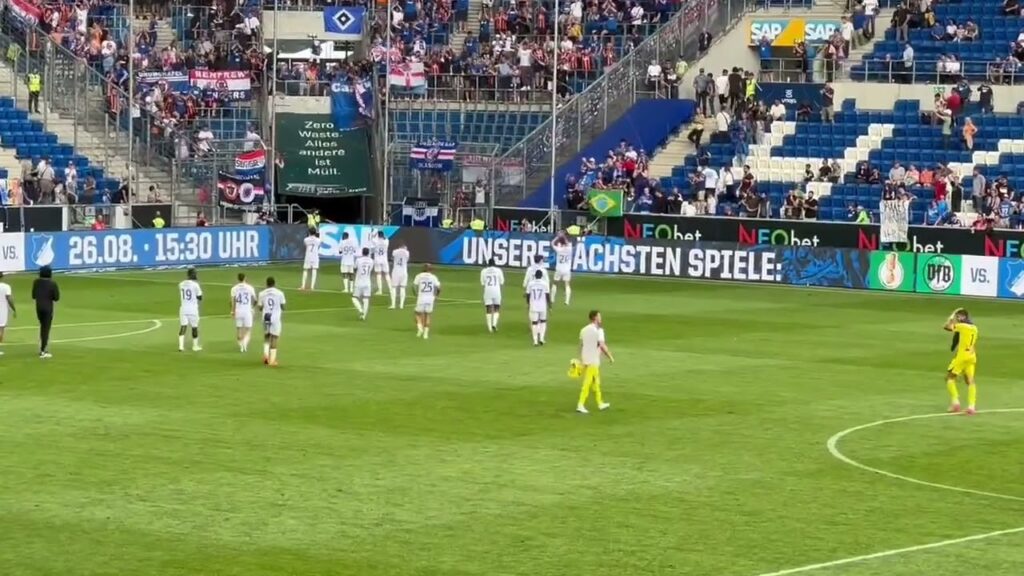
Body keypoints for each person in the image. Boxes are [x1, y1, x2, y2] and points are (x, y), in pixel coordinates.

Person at [577, 309, 614, 414]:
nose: (600, 318)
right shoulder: (599, 331)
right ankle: (580, 404)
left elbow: (580, 345)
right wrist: (610, 356)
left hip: (586, 359)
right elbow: (602, 345)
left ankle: (600, 403)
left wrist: (580, 359)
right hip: (593, 360)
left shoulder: (583, 330)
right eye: (599, 316)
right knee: (587, 383)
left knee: (596, 382)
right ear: (595, 318)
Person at [944, 307, 978, 415]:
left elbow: (947, 327)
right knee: (970, 381)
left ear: (963, 316)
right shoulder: (974, 328)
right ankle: (971, 407)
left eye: (958, 316)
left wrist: (950, 319)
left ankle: (955, 403)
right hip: (972, 356)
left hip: (962, 356)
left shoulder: (962, 326)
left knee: (949, 378)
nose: (957, 318)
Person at [257, 276, 287, 366]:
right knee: (274, 337)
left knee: (267, 336)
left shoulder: (262, 293)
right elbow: (282, 306)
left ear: (266, 284)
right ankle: (272, 360)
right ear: (274, 283)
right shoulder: (280, 293)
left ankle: (266, 355)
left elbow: (260, 307)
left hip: (266, 316)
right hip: (275, 318)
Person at [31, 265, 59, 359]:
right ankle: (43, 350)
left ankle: (42, 347)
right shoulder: (52, 283)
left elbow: (33, 296)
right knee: (46, 329)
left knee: (42, 327)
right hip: (48, 308)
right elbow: (56, 298)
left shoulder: (36, 282)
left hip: (38, 308)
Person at [413, 264, 442, 339]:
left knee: (417, 314)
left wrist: (415, 294)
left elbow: (414, 286)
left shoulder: (419, 276)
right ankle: (426, 334)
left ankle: (420, 329)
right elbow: (439, 288)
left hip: (421, 297)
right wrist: (436, 296)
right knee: (428, 315)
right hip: (430, 298)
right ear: (431, 270)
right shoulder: (433, 277)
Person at [177, 268, 203, 352]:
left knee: (183, 326)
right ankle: (195, 346)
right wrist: (195, 295)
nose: (196, 275)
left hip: (183, 308)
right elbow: (200, 297)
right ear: (192, 274)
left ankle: (181, 347)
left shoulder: (181, 284)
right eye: (195, 273)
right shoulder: (195, 285)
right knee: (194, 327)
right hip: (192, 309)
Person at [230, 272, 257, 353]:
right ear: (245, 278)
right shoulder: (250, 288)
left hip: (238, 311)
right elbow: (255, 300)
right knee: (248, 329)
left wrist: (232, 311)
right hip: (247, 311)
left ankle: (241, 346)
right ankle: (245, 344)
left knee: (239, 329)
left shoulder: (234, 288)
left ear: (238, 279)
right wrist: (252, 307)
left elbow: (232, 301)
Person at [525, 269, 551, 346]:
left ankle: (535, 340)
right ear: (541, 276)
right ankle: (542, 339)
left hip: (533, 305)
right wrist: (550, 306)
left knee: (534, 323)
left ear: (535, 276)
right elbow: (547, 295)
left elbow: (528, 295)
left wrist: (528, 303)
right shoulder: (545, 284)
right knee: (543, 322)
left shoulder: (530, 284)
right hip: (542, 305)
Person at [481, 258, 505, 332]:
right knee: (496, 308)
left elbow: (482, 283)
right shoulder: (498, 270)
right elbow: (502, 282)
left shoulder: (483, 271)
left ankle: (489, 328)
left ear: (488, 263)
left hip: (488, 291)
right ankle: (494, 324)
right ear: (495, 263)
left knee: (488, 309)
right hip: (496, 291)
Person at [352, 247, 374, 320]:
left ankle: (361, 310)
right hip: (367, 282)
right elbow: (371, 271)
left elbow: (354, 269)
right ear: (368, 253)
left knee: (354, 298)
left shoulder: (358, 260)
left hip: (358, 282)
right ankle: (364, 316)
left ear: (362, 252)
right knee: (366, 299)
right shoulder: (371, 261)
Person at [551, 234, 574, 306]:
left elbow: (552, 243)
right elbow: (568, 243)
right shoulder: (569, 249)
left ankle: (552, 299)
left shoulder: (559, 249)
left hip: (559, 269)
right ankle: (567, 301)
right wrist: (563, 238)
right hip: (567, 269)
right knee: (567, 284)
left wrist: (557, 237)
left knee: (555, 283)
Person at [372, 230, 391, 295]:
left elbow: (372, 237)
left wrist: (375, 232)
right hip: (384, 260)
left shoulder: (376, 241)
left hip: (377, 259)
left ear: (378, 236)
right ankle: (391, 289)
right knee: (387, 274)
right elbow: (386, 238)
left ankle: (380, 290)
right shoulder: (386, 241)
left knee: (378, 274)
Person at [0, 272, 15, 356]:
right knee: (1, 330)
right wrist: (14, 309)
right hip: (2, 310)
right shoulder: (6, 287)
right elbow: (9, 298)